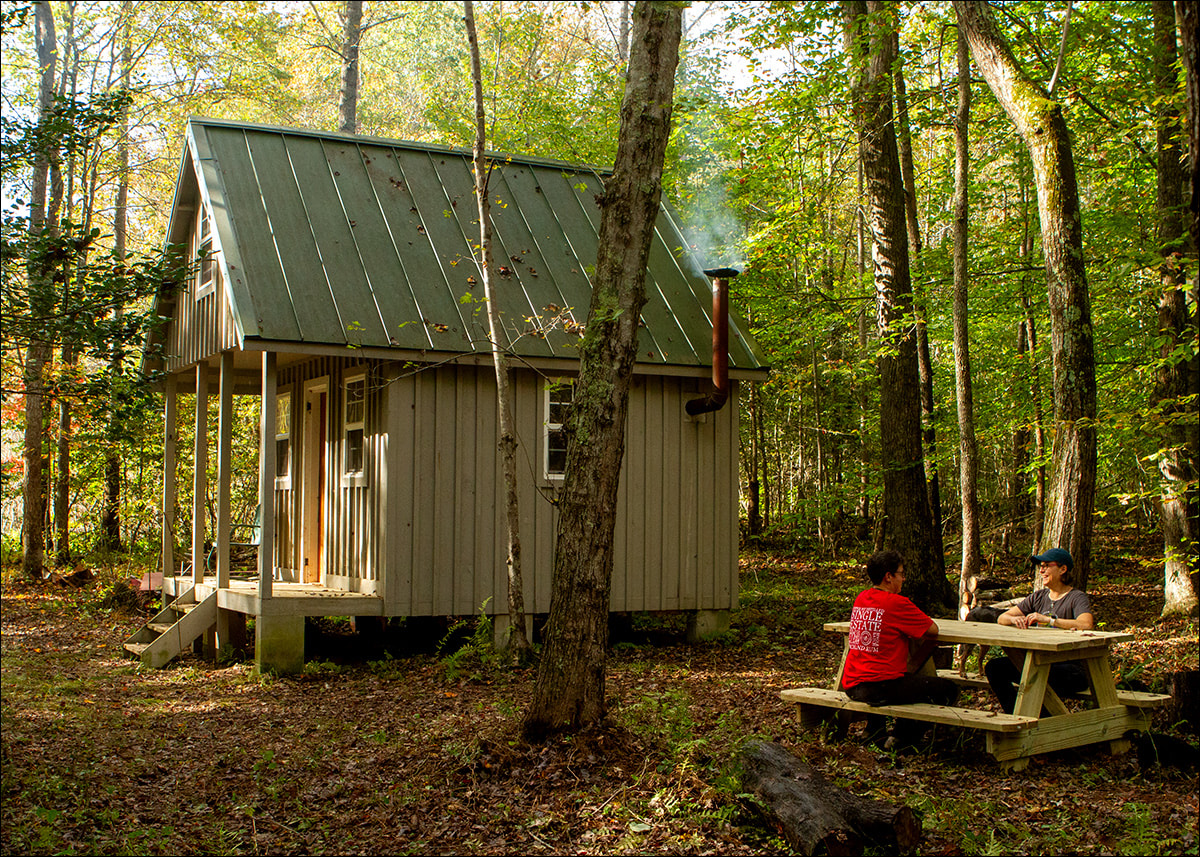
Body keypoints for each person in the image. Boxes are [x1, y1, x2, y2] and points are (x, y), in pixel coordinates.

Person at [841, 550, 959, 713]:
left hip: (853, 685)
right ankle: (902, 736)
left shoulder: (862, 598)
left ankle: (876, 731)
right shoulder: (896, 603)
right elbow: (932, 630)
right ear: (888, 576)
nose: (903, 578)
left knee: (910, 685)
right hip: (880, 686)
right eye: (901, 574)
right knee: (949, 689)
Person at [984, 547, 1094, 714]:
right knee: (995, 667)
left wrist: (1049, 620)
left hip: (1071, 670)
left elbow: (1086, 624)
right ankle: (1018, 716)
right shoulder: (1039, 596)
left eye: (1046, 565)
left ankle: (1039, 718)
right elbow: (1002, 618)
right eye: (1040, 566)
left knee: (1035, 672)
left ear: (1063, 569)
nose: (1041, 570)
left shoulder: (1076, 597)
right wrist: (1015, 619)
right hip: (1039, 663)